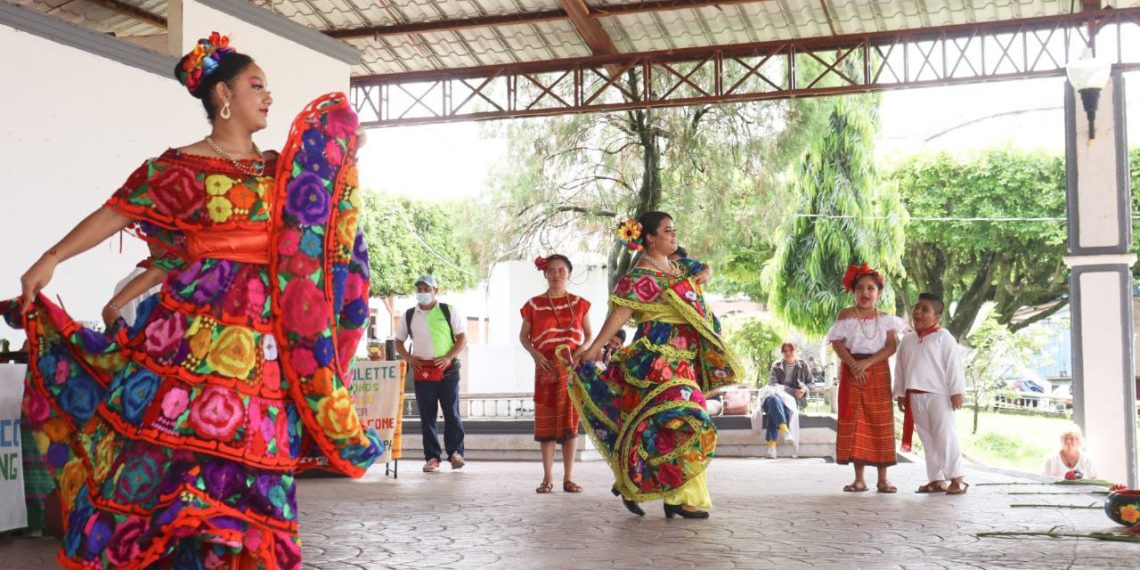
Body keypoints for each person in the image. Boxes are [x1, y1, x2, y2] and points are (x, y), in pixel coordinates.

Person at [12, 33, 381, 568]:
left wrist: (345, 153)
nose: (269, 96)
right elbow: (118, 213)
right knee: (181, 459)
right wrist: (51, 259)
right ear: (223, 95)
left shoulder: (284, 172)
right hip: (194, 338)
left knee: (256, 463)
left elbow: (326, 237)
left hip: (268, 344)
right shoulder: (177, 168)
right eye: (256, 85)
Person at [567, 212, 742, 519]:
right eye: (667, 230)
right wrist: (594, 348)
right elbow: (619, 316)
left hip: (685, 360)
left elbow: (703, 268)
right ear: (650, 238)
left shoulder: (679, 268)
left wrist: (707, 272)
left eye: (674, 230)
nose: (674, 235)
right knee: (683, 417)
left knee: (670, 424)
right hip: (656, 361)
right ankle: (661, 489)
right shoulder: (638, 277)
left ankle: (677, 495)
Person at [827, 263, 904, 494]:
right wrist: (854, 365)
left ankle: (883, 479)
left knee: (880, 422)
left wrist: (866, 364)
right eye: (860, 288)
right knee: (856, 421)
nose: (865, 293)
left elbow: (891, 347)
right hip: (851, 371)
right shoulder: (845, 315)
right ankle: (859, 479)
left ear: (879, 292)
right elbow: (837, 344)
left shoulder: (886, 319)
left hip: (878, 371)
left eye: (871, 288)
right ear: (853, 291)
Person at [519, 254, 592, 494]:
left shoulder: (580, 303)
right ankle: (547, 478)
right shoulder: (533, 304)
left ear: (569, 274)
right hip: (546, 369)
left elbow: (589, 335)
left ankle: (569, 478)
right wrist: (535, 354)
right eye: (551, 270)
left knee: (570, 423)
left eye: (561, 270)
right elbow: (524, 336)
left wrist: (579, 353)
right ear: (545, 274)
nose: (556, 274)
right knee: (546, 423)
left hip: (571, 368)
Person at [894, 293, 969, 495]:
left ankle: (957, 479)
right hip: (914, 395)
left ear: (937, 317)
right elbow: (900, 369)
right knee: (927, 439)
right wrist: (900, 393)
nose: (918, 312)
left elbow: (954, 366)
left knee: (945, 436)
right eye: (916, 307)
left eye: (925, 309)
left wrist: (956, 391)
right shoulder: (907, 340)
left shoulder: (944, 337)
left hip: (939, 395)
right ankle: (936, 480)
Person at [395, 274, 468, 473]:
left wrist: (448, 357)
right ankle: (432, 457)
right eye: (419, 289)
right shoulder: (410, 315)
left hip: (448, 371)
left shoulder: (448, 310)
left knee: (451, 412)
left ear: (436, 290)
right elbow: (399, 341)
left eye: (427, 289)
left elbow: (462, 338)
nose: (423, 293)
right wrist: (409, 358)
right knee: (427, 416)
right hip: (423, 371)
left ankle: (456, 453)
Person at [759, 342, 812, 458]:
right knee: (774, 399)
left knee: (774, 410)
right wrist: (793, 391)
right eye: (785, 351)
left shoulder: (803, 365)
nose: (788, 353)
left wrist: (804, 391)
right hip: (772, 398)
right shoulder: (777, 365)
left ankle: (772, 447)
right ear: (782, 353)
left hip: (791, 403)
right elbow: (773, 385)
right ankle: (785, 432)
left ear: (796, 351)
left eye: (791, 350)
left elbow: (811, 383)